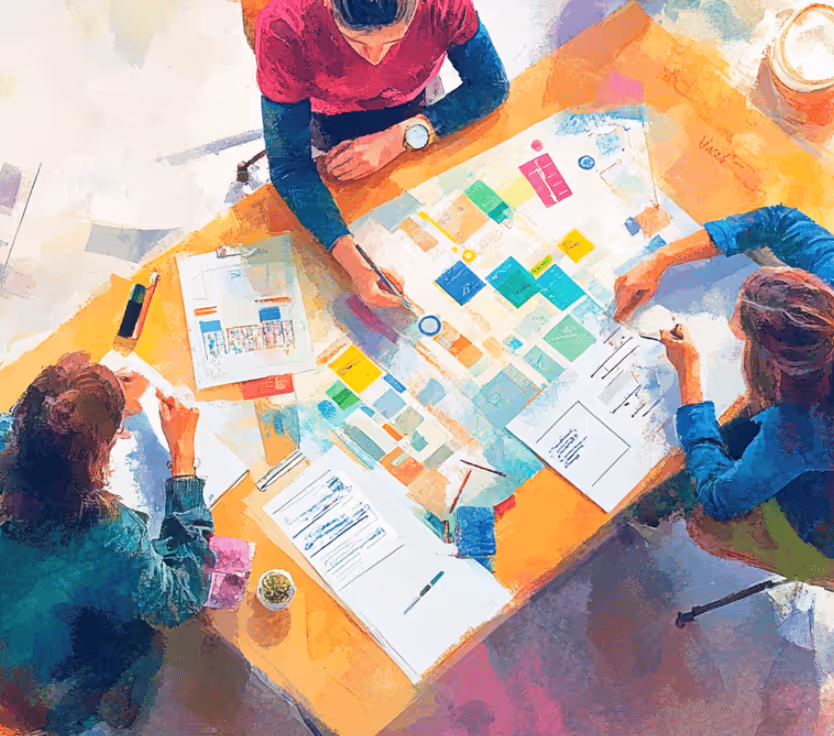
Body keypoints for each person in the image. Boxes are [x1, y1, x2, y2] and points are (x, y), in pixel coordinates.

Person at [613, 205, 834, 566]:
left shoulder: (798, 430)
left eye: (743, 333)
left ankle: (659, 505)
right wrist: (662, 259)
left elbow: (721, 499)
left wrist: (690, 382)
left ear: (773, 367)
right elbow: (779, 220)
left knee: (711, 465)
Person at [0, 353, 212, 734]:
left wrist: (86, 400)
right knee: (148, 640)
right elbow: (182, 595)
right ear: (103, 450)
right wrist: (183, 458)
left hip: (12, 645)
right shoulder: (107, 533)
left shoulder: (8, 434)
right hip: (51, 685)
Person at [252, 0, 510, 308]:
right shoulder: (286, 26)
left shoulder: (443, 5)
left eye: (394, 40)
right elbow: (289, 165)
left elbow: (491, 86)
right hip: (332, 122)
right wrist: (356, 264)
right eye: (357, 42)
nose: (375, 58)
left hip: (420, 111)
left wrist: (399, 138)